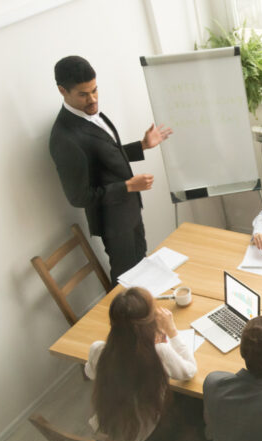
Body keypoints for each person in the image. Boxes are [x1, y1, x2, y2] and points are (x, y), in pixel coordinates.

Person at [50, 55, 172, 284]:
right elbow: (79, 197)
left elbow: (104, 156)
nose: (93, 99)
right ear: (62, 91)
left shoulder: (91, 111)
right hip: (112, 223)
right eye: (84, 94)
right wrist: (127, 186)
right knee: (126, 280)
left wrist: (142, 145)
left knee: (142, 269)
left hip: (130, 211)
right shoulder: (64, 138)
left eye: (95, 90)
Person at [85, 287, 203, 441]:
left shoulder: (98, 349)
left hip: (112, 437)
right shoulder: (158, 352)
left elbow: (90, 373)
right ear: (150, 322)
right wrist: (172, 331)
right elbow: (189, 371)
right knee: (197, 401)